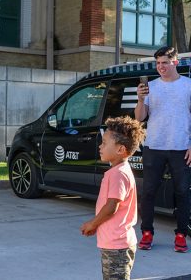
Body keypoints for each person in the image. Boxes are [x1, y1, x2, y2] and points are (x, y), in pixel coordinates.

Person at [135, 46, 191, 253]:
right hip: (154, 147)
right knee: (148, 192)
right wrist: (141, 99)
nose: (161, 67)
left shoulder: (188, 86)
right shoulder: (150, 87)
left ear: (175, 62)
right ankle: (147, 233)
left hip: (180, 148)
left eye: (165, 63)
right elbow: (140, 117)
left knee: (183, 193)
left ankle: (180, 235)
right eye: (158, 63)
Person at [81, 116, 146, 280]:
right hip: (114, 243)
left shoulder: (119, 174)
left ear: (120, 149)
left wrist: (93, 223)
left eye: (104, 143)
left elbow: (111, 207)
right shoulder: (118, 171)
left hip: (117, 246)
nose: (100, 146)